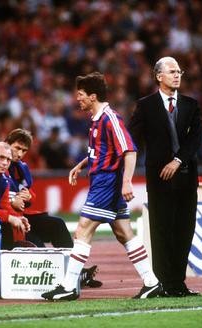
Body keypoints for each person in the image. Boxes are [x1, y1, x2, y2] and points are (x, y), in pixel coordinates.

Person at [42, 72, 159, 301]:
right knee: (124, 232)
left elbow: (129, 150)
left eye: (81, 95)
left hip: (107, 183)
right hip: (102, 180)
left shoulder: (110, 118)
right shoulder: (96, 119)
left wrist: (126, 181)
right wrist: (82, 164)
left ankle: (68, 286)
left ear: (93, 96)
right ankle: (152, 282)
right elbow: (104, 151)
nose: (78, 99)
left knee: (82, 229)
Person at [128, 56, 202, 297]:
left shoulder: (191, 105)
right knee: (161, 232)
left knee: (184, 230)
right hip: (159, 180)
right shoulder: (145, 105)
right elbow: (130, 139)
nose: (177, 75)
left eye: (179, 71)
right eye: (172, 71)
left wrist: (178, 160)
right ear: (159, 76)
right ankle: (162, 283)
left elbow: (195, 139)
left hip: (186, 178)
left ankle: (177, 284)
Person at [5, 128, 102, 288]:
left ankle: (76, 271)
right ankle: (50, 278)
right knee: (36, 244)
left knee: (57, 224)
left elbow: (29, 192)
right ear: (7, 144)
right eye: (17, 148)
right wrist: (12, 198)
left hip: (22, 215)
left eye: (24, 150)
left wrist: (29, 196)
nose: (20, 154)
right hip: (6, 219)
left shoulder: (21, 167)